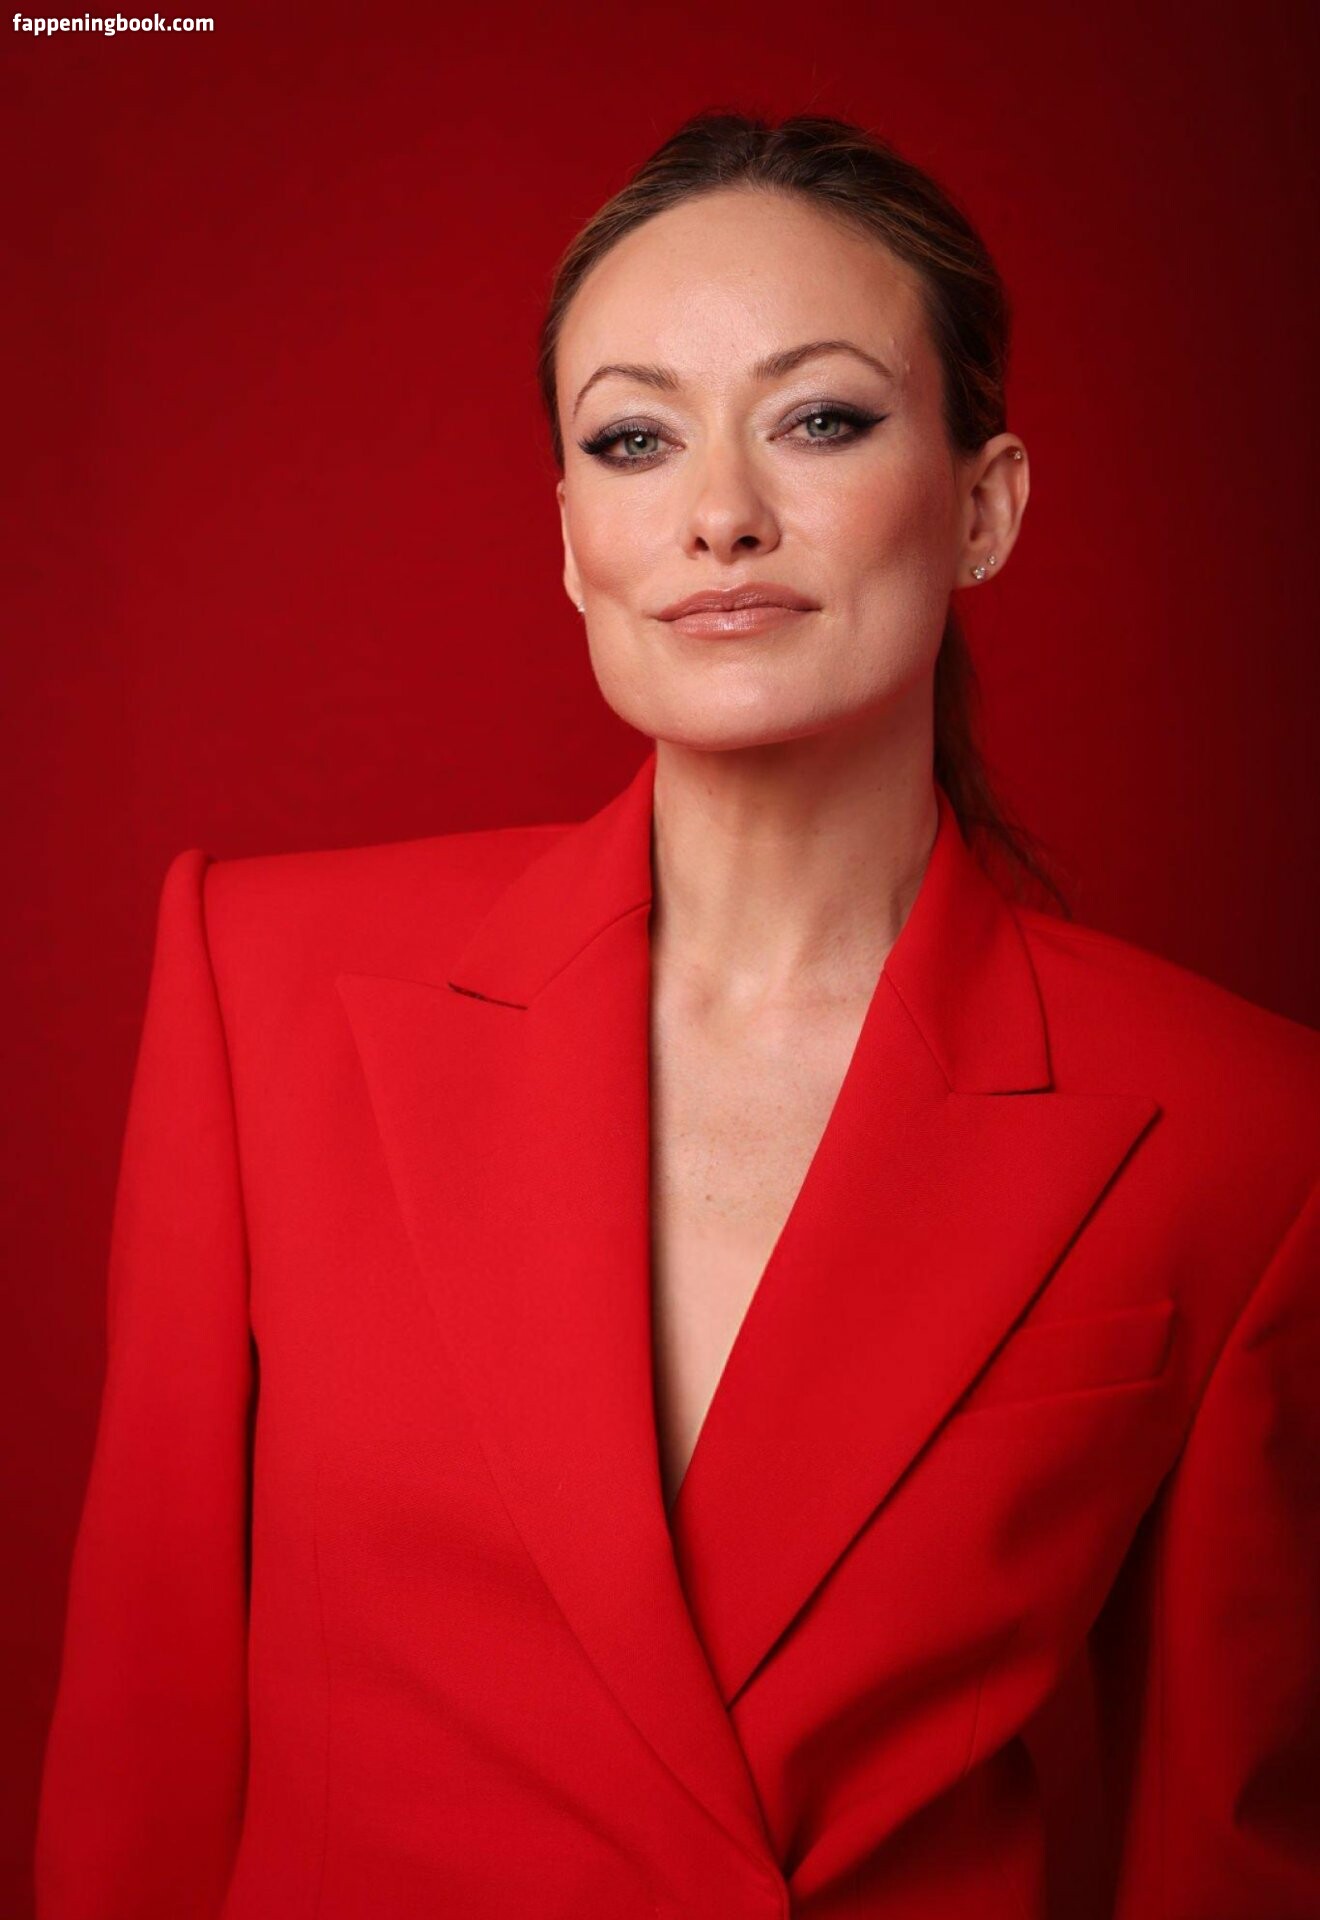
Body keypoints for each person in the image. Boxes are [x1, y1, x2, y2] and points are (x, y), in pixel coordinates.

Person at [34, 110, 1320, 1920]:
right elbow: (143, 1750)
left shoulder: (1243, 1126)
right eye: (634, 438)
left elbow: (1225, 1855)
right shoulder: (268, 984)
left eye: (822, 419)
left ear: (985, 506)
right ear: (575, 542)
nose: (720, 513)